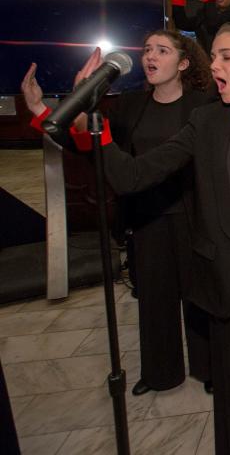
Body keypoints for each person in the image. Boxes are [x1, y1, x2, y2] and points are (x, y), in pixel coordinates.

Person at [55, 23, 230, 455]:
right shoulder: (205, 121)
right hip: (228, 272)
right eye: (214, 56)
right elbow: (133, 175)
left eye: (226, 56)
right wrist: (97, 127)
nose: (215, 65)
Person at [23, 32, 217, 397]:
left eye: (162, 50)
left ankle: (208, 368)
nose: (150, 57)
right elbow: (94, 148)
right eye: (146, 50)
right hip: (147, 217)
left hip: (193, 216)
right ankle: (161, 373)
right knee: (155, 301)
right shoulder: (130, 105)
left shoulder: (202, 106)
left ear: (184, 63)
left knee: (198, 296)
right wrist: (39, 110)